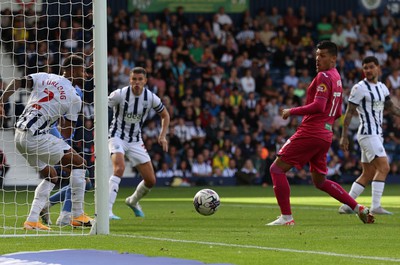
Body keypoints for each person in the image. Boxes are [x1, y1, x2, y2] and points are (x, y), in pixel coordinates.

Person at [267, 41, 375, 226]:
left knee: (276, 169)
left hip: (311, 131)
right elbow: (338, 111)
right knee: (320, 181)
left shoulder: (324, 76)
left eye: (323, 55)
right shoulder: (337, 78)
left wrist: (291, 111)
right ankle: (359, 208)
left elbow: (318, 105)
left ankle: (286, 218)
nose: (318, 59)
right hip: (326, 134)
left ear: (334, 58)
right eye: (317, 55)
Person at [0, 55, 93, 230]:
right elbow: (66, 132)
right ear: (73, 70)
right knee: (80, 165)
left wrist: (1, 101)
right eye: (83, 70)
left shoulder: (45, 77)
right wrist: (58, 120)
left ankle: (32, 220)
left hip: (19, 135)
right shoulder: (75, 97)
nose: (86, 75)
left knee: (51, 176)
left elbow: (17, 82)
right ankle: (77, 215)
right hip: (36, 137)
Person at [338, 56, 400, 215]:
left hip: (377, 134)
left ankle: (347, 205)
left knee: (368, 173)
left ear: (378, 68)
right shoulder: (359, 88)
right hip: (367, 132)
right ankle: (376, 206)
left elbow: (391, 108)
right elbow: (349, 112)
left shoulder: (382, 87)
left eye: (371, 67)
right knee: (384, 167)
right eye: (365, 68)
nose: (368, 70)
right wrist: (344, 136)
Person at [108, 67, 170, 220]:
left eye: (140, 79)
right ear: (130, 80)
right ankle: (106, 211)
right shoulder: (119, 94)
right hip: (117, 136)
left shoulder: (150, 97)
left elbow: (165, 115)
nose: (137, 82)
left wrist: (162, 136)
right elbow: (102, 108)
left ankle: (133, 201)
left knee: (150, 180)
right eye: (134, 79)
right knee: (119, 168)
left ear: (145, 81)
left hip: (135, 140)